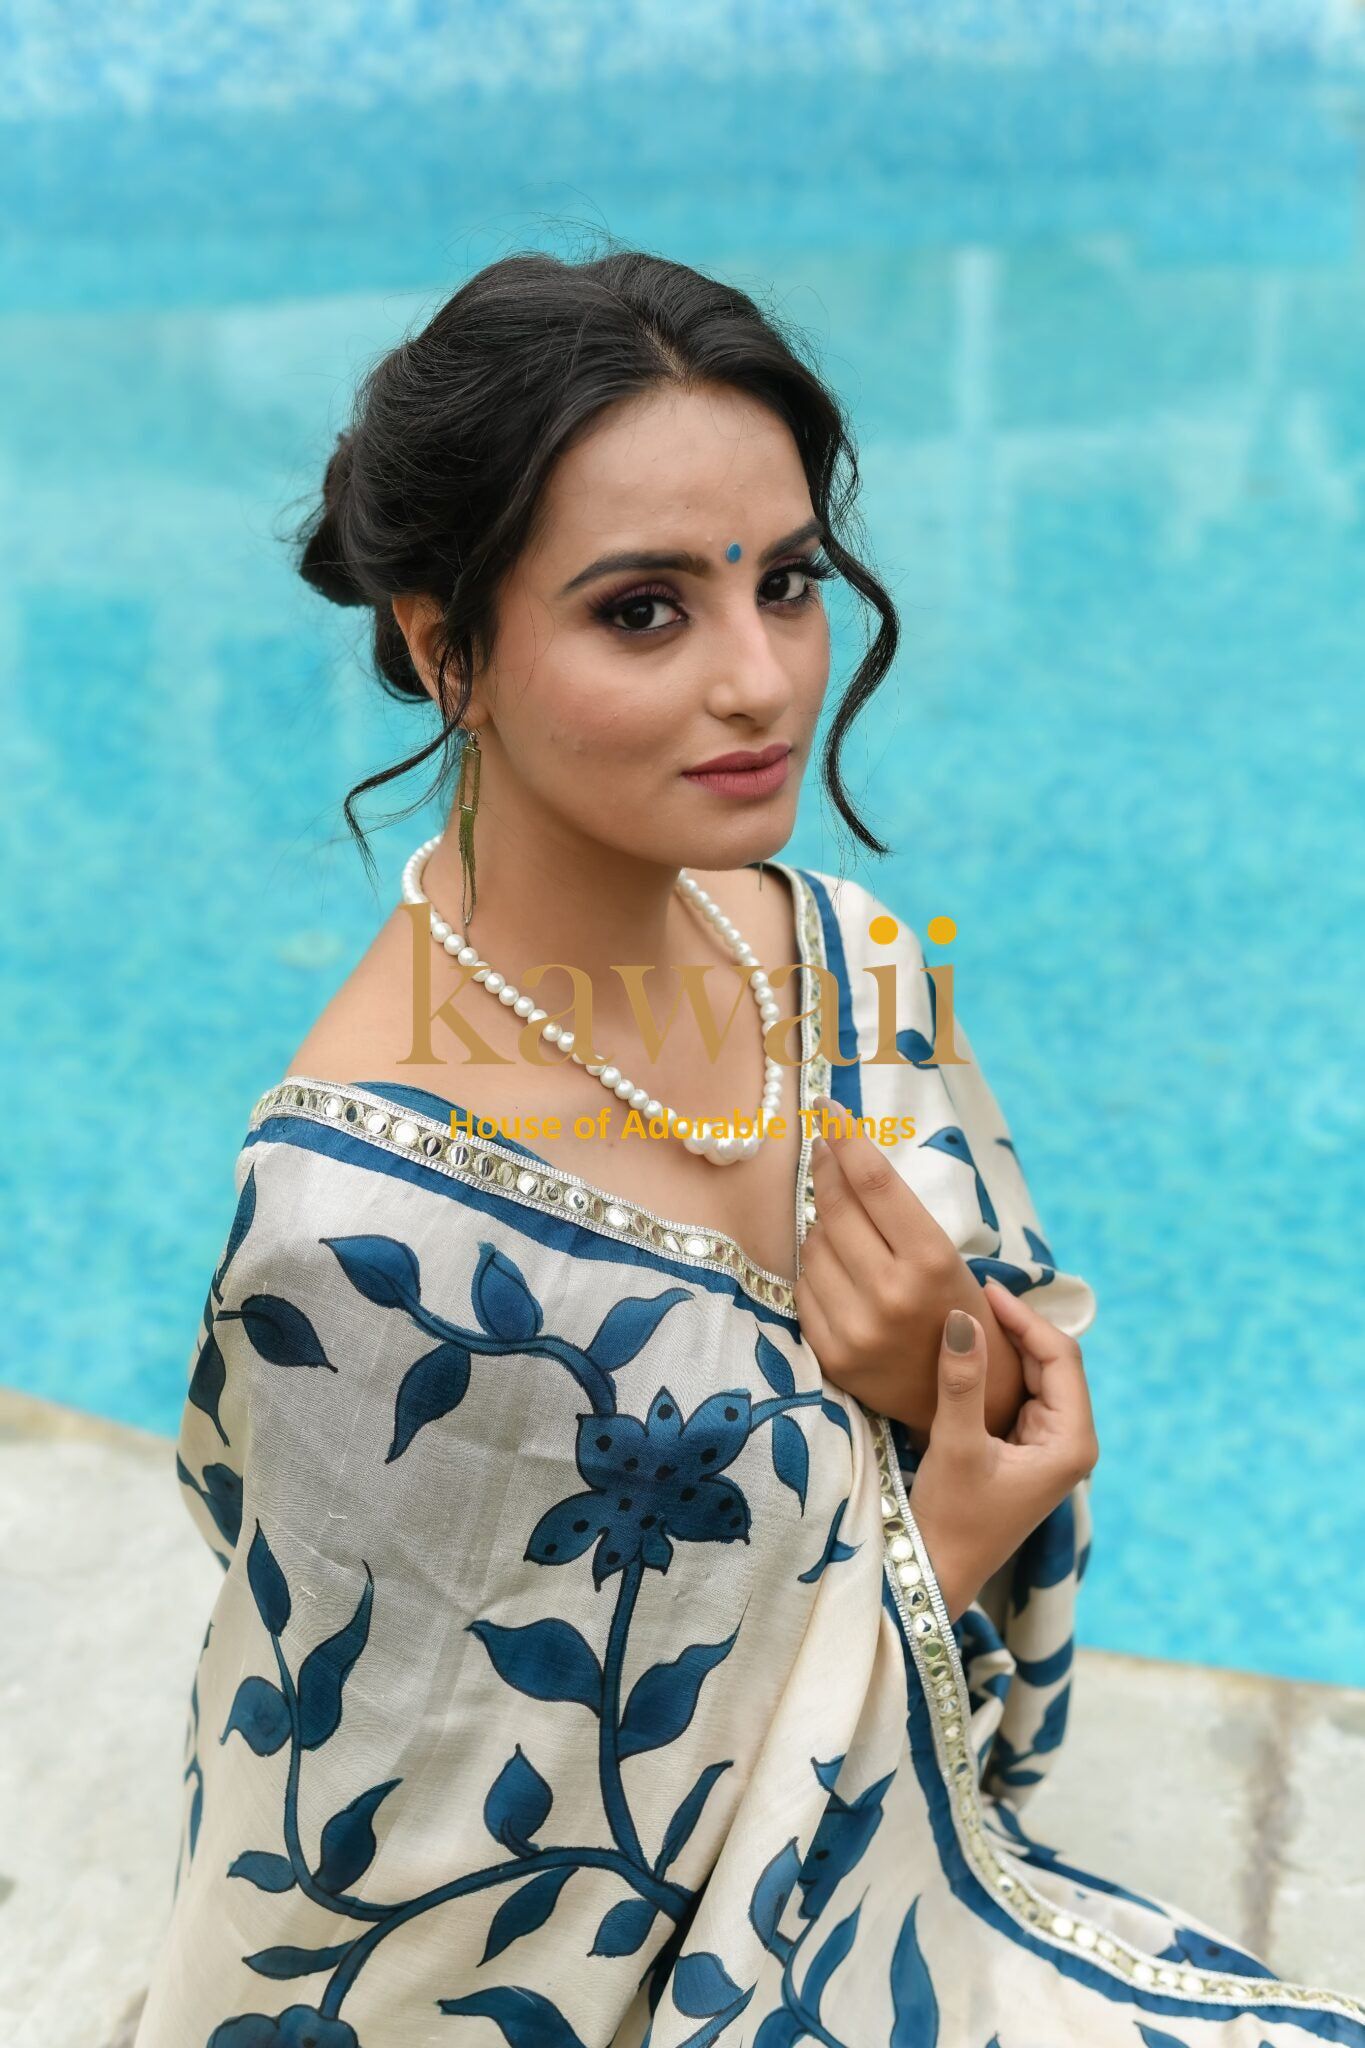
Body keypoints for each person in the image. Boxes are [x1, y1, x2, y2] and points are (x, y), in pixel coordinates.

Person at [135, 247, 1365, 2048]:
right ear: (439, 645)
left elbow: (991, 1474)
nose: (760, 681)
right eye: (643, 611)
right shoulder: (364, 1245)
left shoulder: (848, 964)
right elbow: (404, 1921)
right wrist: (937, 1535)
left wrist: (949, 1378)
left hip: (906, 1889)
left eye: (785, 584)